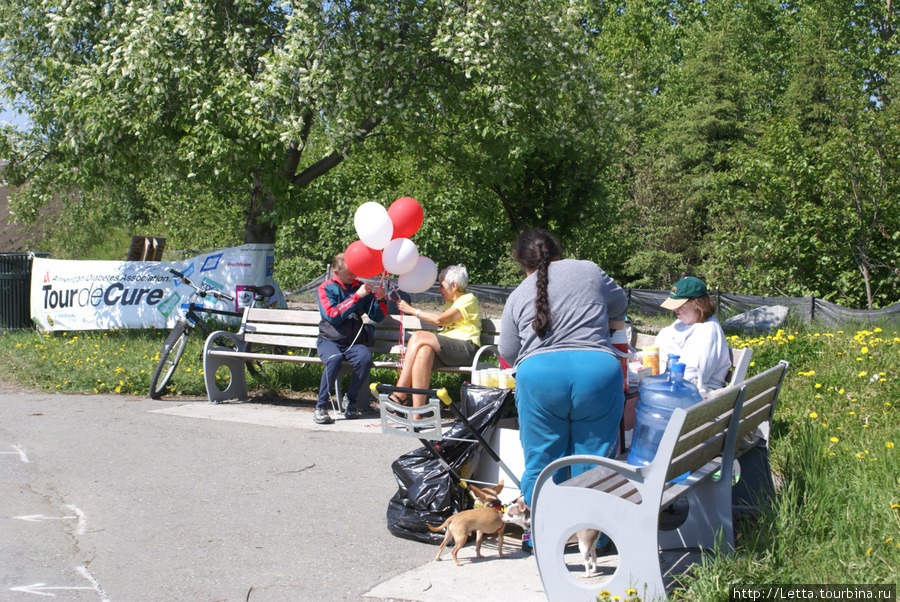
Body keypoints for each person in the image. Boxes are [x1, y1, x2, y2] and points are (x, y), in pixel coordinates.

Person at [499, 229, 628, 518]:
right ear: (558, 251)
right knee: (595, 460)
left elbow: (508, 352)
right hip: (597, 373)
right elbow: (620, 304)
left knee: (541, 462)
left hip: (539, 379)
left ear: (524, 265)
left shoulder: (518, 294)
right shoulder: (590, 270)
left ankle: (543, 537)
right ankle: (595, 537)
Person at [393, 265, 481, 409]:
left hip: (466, 349)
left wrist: (411, 310)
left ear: (454, 286)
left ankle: (400, 392)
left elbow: (440, 320)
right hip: (448, 351)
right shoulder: (450, 303)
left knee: (417, 336)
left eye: (441, 286)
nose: (439, 290)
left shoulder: (468, 299)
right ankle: (417, 414)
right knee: (424, 352)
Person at [315, 253, 388, 424]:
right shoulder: (326, 288)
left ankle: (351, 399)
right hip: (329, 341)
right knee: (334, 359)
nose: (353, 276)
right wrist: (356, 297)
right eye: (349, 273)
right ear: (336, 270)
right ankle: (321, 406)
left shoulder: (360, 286)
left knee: (365, 359)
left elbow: (377, 316)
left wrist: (380, 299)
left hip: (353, 342)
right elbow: (333, 315)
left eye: (355, 272)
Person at [655, 276, 731, 391]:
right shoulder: (682, 323)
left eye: (680, 305)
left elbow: (693, 376)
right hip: (673, 386)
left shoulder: (707, 331)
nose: (675, 309)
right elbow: (659, 348)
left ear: (696, 303)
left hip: (698, 397)